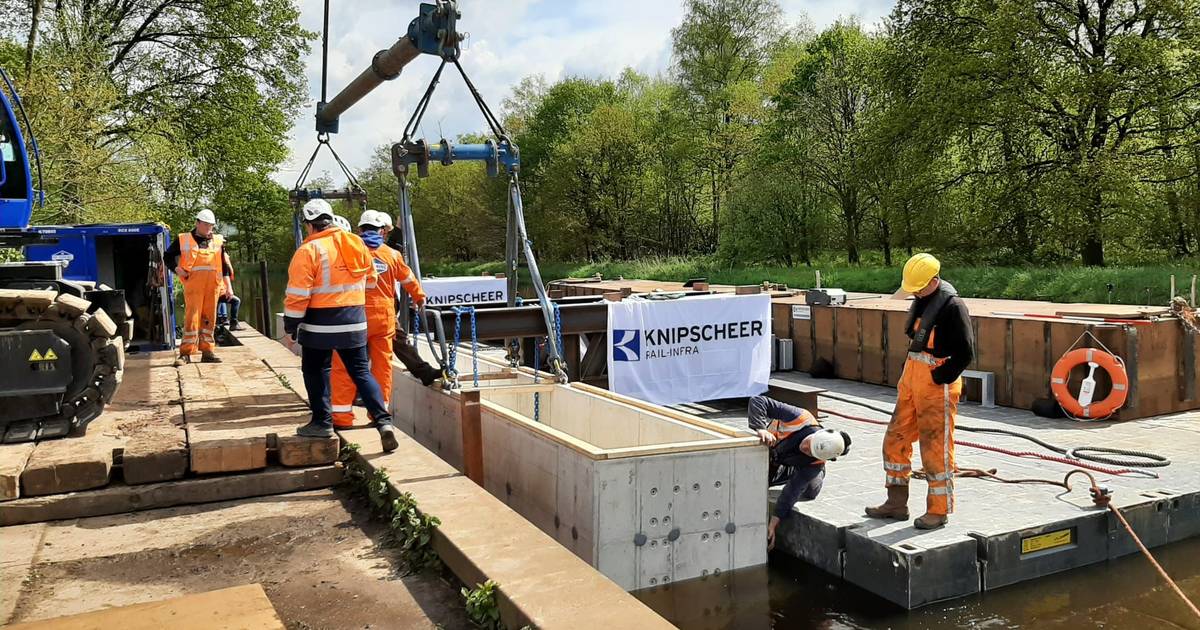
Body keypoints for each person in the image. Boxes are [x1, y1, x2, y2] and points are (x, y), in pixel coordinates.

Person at [865, 253, 973, 529]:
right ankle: (896, 503)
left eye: (920, 288)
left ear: (934, 281)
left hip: (937, 387)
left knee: (935, 448)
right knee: (894, 440)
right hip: (912, 381)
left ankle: (938, 510)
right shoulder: (922, 299)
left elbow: (965, 353)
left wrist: (939, 377)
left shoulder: (953, 308)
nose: (915, 293)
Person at [283, 199, 399, 452]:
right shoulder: (355, 244)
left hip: (320, 323)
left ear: (310, 224)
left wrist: (292, 324)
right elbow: (371, 280)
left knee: (315, 369)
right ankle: (383, 421)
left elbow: (298, 294)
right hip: (356, 319)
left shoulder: (309, 250)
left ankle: (322, 423)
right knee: (361, 371)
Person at [329, 210, 428, 429]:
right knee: (382, 367)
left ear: (359, 230)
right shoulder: (392, 255)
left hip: (354, 317)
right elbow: (408, 279)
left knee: (345, 366)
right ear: (382, 231)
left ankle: (342, 417)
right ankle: (379, 414)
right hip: (384, 319)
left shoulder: (348, 252)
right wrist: (419, 298)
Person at [748, 394, 851, 550]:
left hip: (794, 462)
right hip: (774, 452)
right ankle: (787, 471)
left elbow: (791, 493)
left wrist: (773, 524)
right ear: (816, 435)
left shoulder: (815, 463)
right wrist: (760, 428)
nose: (806, 448)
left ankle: (815, 475)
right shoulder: (799, 417)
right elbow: (758, 400)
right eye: (809, 443)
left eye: (811, 452)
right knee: (758, 483)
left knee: (810, 491)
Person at [164, 209, 232, 365]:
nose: (209, 228)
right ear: (198, 223)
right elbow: (167, 256)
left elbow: (224, 265)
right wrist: (176, 268)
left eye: (211, 226)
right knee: (192, 318)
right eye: (206, 225)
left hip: (213, 287)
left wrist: (228, 287)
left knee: (210, 319)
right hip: (193, 286)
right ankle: (186, 353)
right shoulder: (184, 239)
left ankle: (207, 351)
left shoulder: (218, 241)